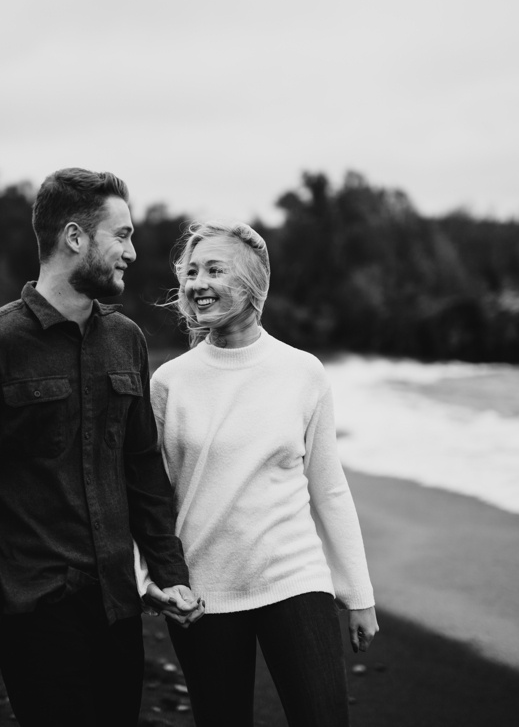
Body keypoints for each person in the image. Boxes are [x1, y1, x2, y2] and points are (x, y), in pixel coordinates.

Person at [0, 168, 201, 727]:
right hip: (34, 605)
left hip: (118, 603)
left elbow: (142, 468)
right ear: (75, 238)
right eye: (120, 235)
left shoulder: (127, 341)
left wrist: (170, 574)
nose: (132, 252)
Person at [137, 220, 379, 727]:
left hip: (294, 578)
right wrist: (150, 579)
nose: (197, 283)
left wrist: (358, 595)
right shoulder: (169, 383)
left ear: (253, 285)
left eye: (214, 270)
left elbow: (329, 487)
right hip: (204, 591)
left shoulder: (302, 372)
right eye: (191, 271)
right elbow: (147, 493)